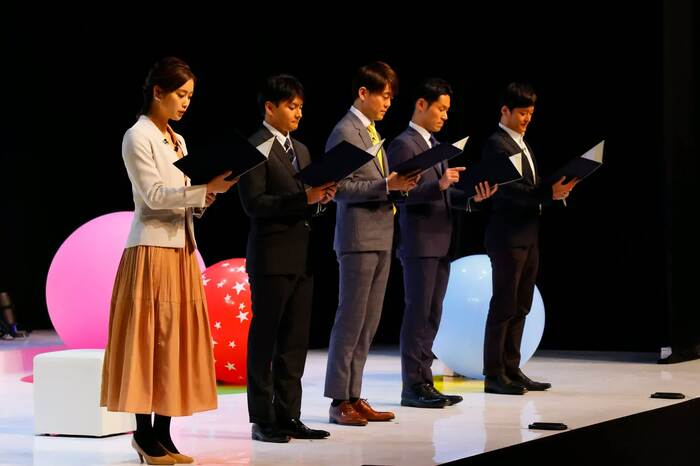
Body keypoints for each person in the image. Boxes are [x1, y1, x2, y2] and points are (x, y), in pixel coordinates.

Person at [101, 57, 236, 465]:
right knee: (149, 341)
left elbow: (184, 199)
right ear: (158, 92)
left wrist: (207, 196)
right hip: (151, 250)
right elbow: (154, 196)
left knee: (173, 343)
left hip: (181, 250)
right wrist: (201, 190)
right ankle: (143, 436)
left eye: (190, 96)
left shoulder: (179, 140)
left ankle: (163, 434)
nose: (185, 103)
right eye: (180, 94)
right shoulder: (136, 136)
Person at [387, 77, 497, 409]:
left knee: (432, 314)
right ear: (421, 104)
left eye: (448, 110)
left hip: (441, 241)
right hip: (419, 243)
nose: (445, 116)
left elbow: (445, 195)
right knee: (418, 314)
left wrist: (472, 197)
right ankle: (412, 386)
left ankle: (425, 381)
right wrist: (439, 184)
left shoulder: (435, 145)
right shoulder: (403, 144)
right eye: (441, 109)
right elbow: (401, 194)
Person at [238, 74, 336, 443]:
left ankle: (289, 415)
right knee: (265, 340)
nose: (298, 113)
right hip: (271, 258)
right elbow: (254, 204)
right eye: (291, 106)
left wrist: (320, 199)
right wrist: (303, 199)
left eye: (300, 107)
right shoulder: (255, 147)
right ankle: (262, 419)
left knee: (294, 343)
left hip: (302, 257)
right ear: (270, 107)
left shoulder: (302, 150)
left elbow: (305, 205)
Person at [324, 61, 420, 426]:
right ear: (363, 93)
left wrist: (399, 186)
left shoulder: (371, 131)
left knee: (369, 322)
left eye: (391, 97)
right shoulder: (344, 131)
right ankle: (339, 400)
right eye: (383, 96)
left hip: (381, 234)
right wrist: (386, 185)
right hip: (357, 238)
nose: (388, 104)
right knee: (350, 319)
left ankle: (354, 394)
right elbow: (338, 189)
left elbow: (375, 184)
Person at [481, 82, 577, 395]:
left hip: (528, 234)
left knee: (522, 305)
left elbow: (531, 185)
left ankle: (511, 367)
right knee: (504, 304)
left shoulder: (522, 143)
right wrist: (549, 193)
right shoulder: (496, 144)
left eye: (531, 114)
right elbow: (510, 191)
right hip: (507, 236)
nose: (527, 119)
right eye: (522, 113)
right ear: (505, 111)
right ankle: (494, 373)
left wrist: (555, 187)